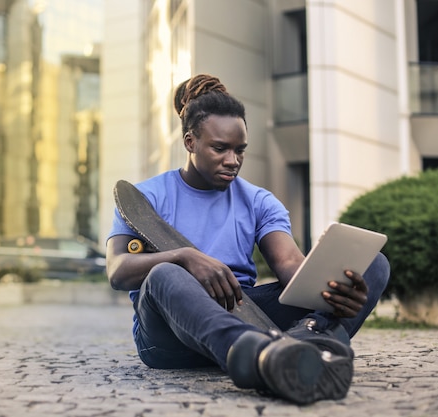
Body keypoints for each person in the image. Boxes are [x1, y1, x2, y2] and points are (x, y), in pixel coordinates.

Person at [106, 74, 390, 405]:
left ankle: (306, 342)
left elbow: (289, 265)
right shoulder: (145, 197)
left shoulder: (258, 201)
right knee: (164, 275)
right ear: (189, 142)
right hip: (168, 337)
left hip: (244, 311)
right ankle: (265, 356)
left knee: (375, 264)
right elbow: (117, 270)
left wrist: (332, 295)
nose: (233, 161)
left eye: (240, 150)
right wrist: (184, 257)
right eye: (219, 148)